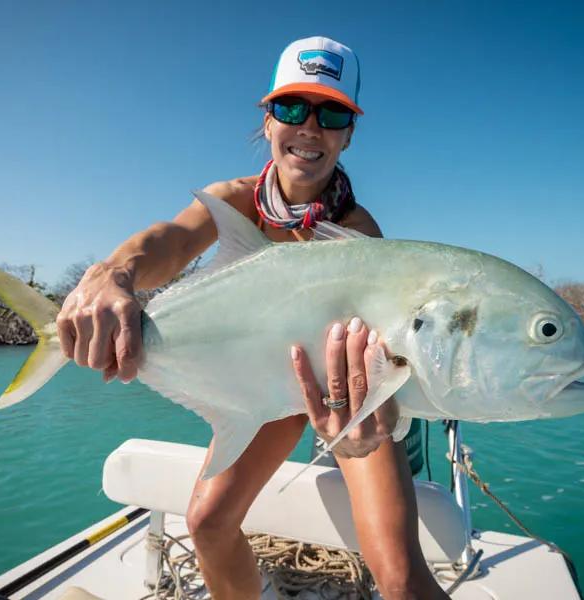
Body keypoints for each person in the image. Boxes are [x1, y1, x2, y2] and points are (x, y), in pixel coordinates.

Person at [57, 36, 449, 600]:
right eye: (292, 108)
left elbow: (376, 347)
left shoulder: (359, 233)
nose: (310, 127)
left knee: (402, 577)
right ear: (267, 121)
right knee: (208, 523)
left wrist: (367, 423)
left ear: (348, 133)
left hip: (343, 389)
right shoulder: (234, 202)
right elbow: (168, 243)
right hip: (264, 382)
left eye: (332, 113)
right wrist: (112, 270)